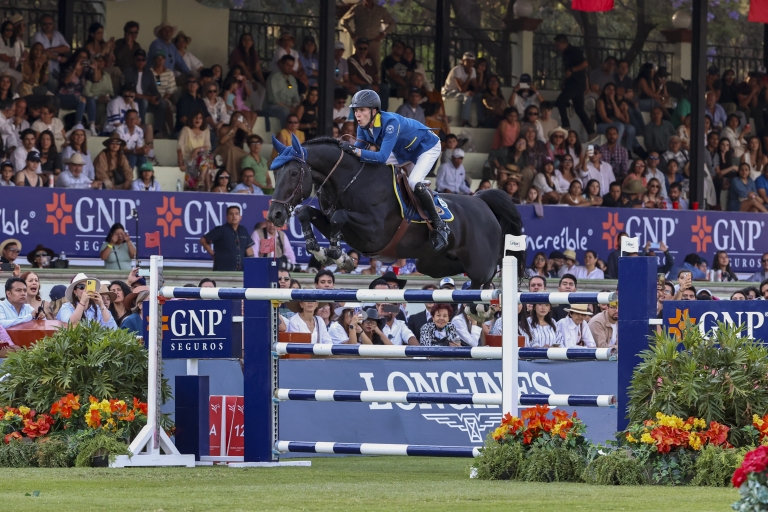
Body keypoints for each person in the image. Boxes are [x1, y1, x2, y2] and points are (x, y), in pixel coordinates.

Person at [340, 89, 449, 250]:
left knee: (414, 183)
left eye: (362, 110)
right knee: (371, 167)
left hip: (425, 147)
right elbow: (359, 154)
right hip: (402, 152)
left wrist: (354, 151)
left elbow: (382, 157)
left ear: (374, 111)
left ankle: (440, 226)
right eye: (356, 110)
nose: (358, 115)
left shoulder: (390, 123)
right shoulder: (362, 127)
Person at [553, 35, 594, 137]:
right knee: (579, 108)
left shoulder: (574, 51)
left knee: (561, 101)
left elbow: (585, 64)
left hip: (577, 83)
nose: (557, 48)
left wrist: (572, 70)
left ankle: (566, 126)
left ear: (563, 43)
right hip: (572, 83)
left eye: (558, 45)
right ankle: (591, 132)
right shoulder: (565, 53)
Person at [340, 0, 397, 68]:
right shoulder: (357, 8)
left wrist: (383, 33)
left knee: (375, 65)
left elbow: (392, 23)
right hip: (360, 42)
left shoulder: (380, 10)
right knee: (357, 65)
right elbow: (343, 21)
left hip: (374, 42)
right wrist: (351, 32)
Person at [123, 49, 166, 137]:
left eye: (143, 59)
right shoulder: (129, 71)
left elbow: (154, 89)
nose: (141, 62)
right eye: (138, 59)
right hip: (132, 99)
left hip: (146, 98)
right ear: (134, 60)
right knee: (144, 102)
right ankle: (140, 128)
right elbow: (130, 92)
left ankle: (158, 130)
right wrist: (149, 98)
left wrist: (157, 97)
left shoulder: (148, 72)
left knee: (163, 103)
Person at [200, 205, 254, 272]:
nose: (234, 216)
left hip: (241, 271)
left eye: (236, 214)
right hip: (222, 270)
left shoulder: (243, 230)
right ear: (227, 217)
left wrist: (252, 265)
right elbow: (203, 240)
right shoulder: (221, 230)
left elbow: (249, 250)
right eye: (231, 214)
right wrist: (213, 254)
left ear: (240, 217)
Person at [58, 49, 97, 133]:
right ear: (76, 57)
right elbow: (66, 81)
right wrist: (75, 69)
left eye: (85, 58)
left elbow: (95, 80)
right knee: (82, 99)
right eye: (80, 57)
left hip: (77, 98)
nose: (82, 59)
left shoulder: (86, 69)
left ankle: (92, 126)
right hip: (64, 97)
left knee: (91, 99)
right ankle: (78, 126)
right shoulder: (68, 66)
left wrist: (95, 69)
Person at [264, 54, 300, 127]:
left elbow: (296, 98)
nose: (290, 68)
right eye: (287, 65)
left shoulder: (292, 79)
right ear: (281, 64)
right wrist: (288, 108)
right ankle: (285, 135)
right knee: (285, 111)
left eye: (292, 66)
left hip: (289, 107)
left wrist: (297, 107)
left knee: (301, 110)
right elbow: (273, 99)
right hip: (272, 107)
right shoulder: (274, 77)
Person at [441, 52, 477, 127]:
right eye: (468, 61)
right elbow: (462, 89)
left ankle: (481, 122)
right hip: (448, 92)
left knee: (479, 97)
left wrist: (474, 92)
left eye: (472, 62)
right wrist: (469, 76)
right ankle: (464, 122)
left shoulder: (473, 70)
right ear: (463, 61)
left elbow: (476, 86)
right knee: (467, 96)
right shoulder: (457, 70)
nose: (470, 64)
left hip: (459, 93)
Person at [31, 14, 69, 83]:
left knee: (67, 81)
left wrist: (51, 50)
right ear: (41, 25)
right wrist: (58, 58)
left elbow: (67, 48)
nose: (47, 26)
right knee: (55, 87)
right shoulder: (38, 36)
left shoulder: (57, 34)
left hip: (56, 69)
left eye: (50, 23)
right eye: (45, 24)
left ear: (53, 24)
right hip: (42, 69)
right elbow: (42, 53)